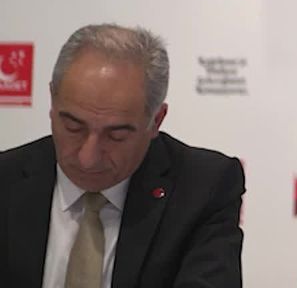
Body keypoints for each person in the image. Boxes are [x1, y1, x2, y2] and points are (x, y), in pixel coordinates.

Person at [0, 23, 245, 287]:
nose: (88, 158)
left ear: (156, 120)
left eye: (116, 136)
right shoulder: (5, 180)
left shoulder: (203, 189)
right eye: (73, 127)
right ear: (52, 100)